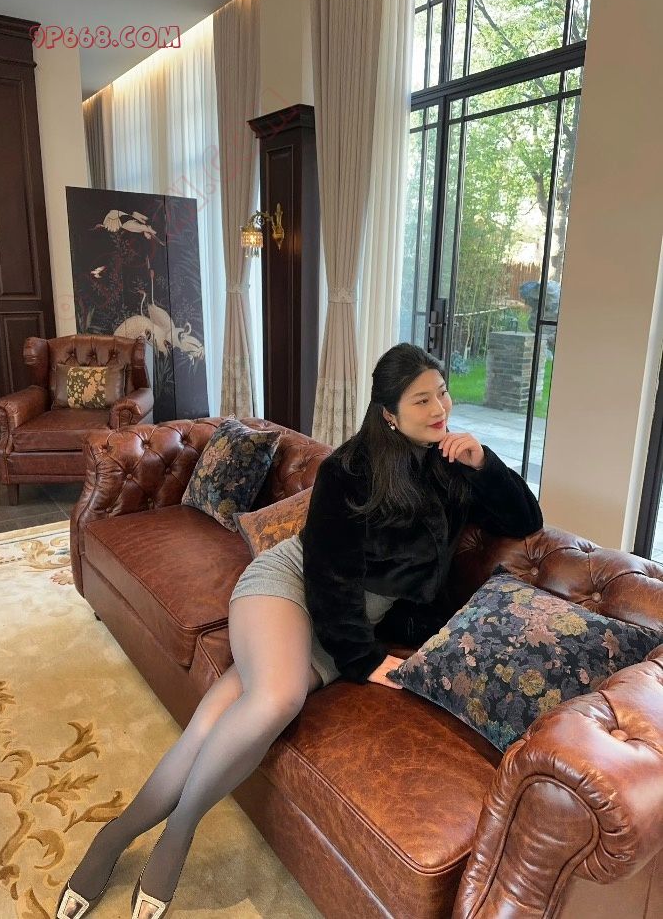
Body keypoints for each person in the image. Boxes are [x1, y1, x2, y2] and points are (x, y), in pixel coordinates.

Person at [56, 342, 543, 919]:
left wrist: (485, 463)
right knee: (278, 697)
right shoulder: (350, 469)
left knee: (221, 718)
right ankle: (175, 840)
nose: (439, 408)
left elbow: (526, 519)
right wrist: (363, 659)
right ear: (389, 412)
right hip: (292, 587)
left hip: (353, 620)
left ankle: (116, 835)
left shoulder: (455, 463)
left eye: (442, 393)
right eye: (422, 399)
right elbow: (330, 576)